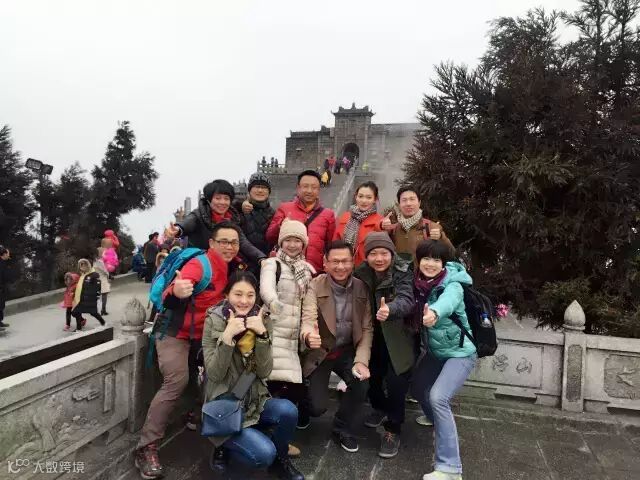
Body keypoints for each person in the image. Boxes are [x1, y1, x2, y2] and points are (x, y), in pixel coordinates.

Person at [134, 221, 242, 480]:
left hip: (203, 334)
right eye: (223, 242)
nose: (229, 247)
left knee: (225, 370)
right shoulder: (199, 265)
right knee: (177, 380)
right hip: (175, 332)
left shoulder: (235, 267)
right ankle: (146, 447)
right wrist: (177, 291)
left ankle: (196, 412)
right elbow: (170, 294)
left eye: (234, 242)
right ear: (212, 243)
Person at [203, 272, 304, 480]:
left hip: (253, 399)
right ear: (227, 295)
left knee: (288, 411)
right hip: (224, 404)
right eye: (238, 294)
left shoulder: (261, 319)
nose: (244, 301)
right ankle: (228, 457)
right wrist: (227, 337)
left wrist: (262, 336)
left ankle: (280, 461)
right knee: (264, 453)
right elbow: (214, 373)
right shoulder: (214, 320)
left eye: (250, 295)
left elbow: (264, 371)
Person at [410, 240, 477, 480]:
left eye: (436, 260)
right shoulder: (418, 283)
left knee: (438, 397)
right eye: (426, 258)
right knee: (418, 387)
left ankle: (450, 469)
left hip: (460, 353)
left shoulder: (453, 284)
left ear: (444, 263)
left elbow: (447, 302)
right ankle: (435, 418)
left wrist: (435, 313)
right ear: (419, 261)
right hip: (437, 352)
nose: (430, 264)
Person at [298, 240, 372, 453]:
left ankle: (341, 427)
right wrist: (308, 335)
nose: (341, 267)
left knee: (361, 383)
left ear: (353, 262)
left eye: (345, 261)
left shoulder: (361, 287)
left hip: (347, 350)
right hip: (321, 351)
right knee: (317, 407)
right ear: (325, 263)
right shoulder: (314, 285)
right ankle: (304, 406)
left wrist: (361, 361)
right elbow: (308, 317)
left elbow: (367, 328)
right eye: (335, 261)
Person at [354, 233, 416, 459]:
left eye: (384, 253)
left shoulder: (402, 270)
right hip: (372, 333)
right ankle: (379, 408)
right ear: (367, 256)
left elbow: (407, 299)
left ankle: (393, 428)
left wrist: (390, 308)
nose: (379, 258)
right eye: (373, 253)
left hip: (398, 335)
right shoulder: (361, 272)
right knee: (372, 378)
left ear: (392, 253)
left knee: (397, 382)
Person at [260, 220, 314, 456]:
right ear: (281, 242)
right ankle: (263, 436)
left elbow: (309, 307)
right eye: (288, 240)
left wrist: (308, 330)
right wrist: (273, 302)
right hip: (271, 335)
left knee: (293, 390)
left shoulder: (307, 271)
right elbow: (266, 288)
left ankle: (278, 437)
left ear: (304, 243)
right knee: (267, 386)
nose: (292, 245)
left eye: (297, 240)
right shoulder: (272, 264)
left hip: (292, 342)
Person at [165, 179, 267, 269]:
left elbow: (243, 243)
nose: (222, 202)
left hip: (225, 265)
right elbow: (187, 224)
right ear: (209, 200)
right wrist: (178, 229)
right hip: (200, 266)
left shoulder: (233, 219)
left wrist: (261, 258)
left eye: (226, 199)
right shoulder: (198, 215)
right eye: (218, 198)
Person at [266, 170, 335, 273]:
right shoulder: (284, 208)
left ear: (319, 190)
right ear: (298, 188)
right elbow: (270, 237)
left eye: (314, 187)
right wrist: (280, 225)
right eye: (305, 186)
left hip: (315, 272)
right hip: (286, 272)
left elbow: (330, 246)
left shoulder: (328, 214)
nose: (309, 191)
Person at [381, 186, 454, 262]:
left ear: (419, 203)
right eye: (404, 200)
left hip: (424, 269)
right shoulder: (393, 229)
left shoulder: (431, 227)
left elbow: (451, 254)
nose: (408, 203)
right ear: (399, 204)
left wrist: (441, 237)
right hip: (399, 270)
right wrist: (382, 227)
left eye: (412, 199)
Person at [334, 181, 384, 266]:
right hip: (342, 266)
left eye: (369, 197)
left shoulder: (380, 223)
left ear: (375, 199)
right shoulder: (345, 217)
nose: (364, 201)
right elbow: (335, 243)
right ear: (356, 197)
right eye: (360, 196)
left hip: (366, 269)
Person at [235, 173, 276, 269]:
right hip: (242, 265)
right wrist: (239, 205)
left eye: (264, 187)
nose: (260, 190)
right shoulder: (238, 211)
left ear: (269, 191)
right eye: (257, 187)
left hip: (267, 265)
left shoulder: (274, 214)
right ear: (249, 190)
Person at [72, 259, 105, 328]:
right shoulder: (83, 275)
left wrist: (95, 296)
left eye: (84, 265)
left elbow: (98, 287)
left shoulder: (94, 275)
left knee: (93, 313)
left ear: (88, 266)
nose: (83, 267)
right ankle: (79, 328)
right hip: (82, 299)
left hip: (90, 299)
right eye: (81, 266)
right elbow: (80, 287)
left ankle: (103, 322)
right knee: (76, 312)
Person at [94, 248, 111, 316]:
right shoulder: (99, 262)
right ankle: (103, 310)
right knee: (104, 295)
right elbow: (105, 271)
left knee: (98, 296)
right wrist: (109, 275)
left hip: (97, 279)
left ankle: (100, 310)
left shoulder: (94, 262)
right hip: (102, 279)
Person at [0, 246, 10, 329]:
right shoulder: (1, 263)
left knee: (1, 306)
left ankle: (0, 322)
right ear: (4, 254)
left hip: (2, 288)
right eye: (8, 253)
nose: (9, 255)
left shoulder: (2, 262)